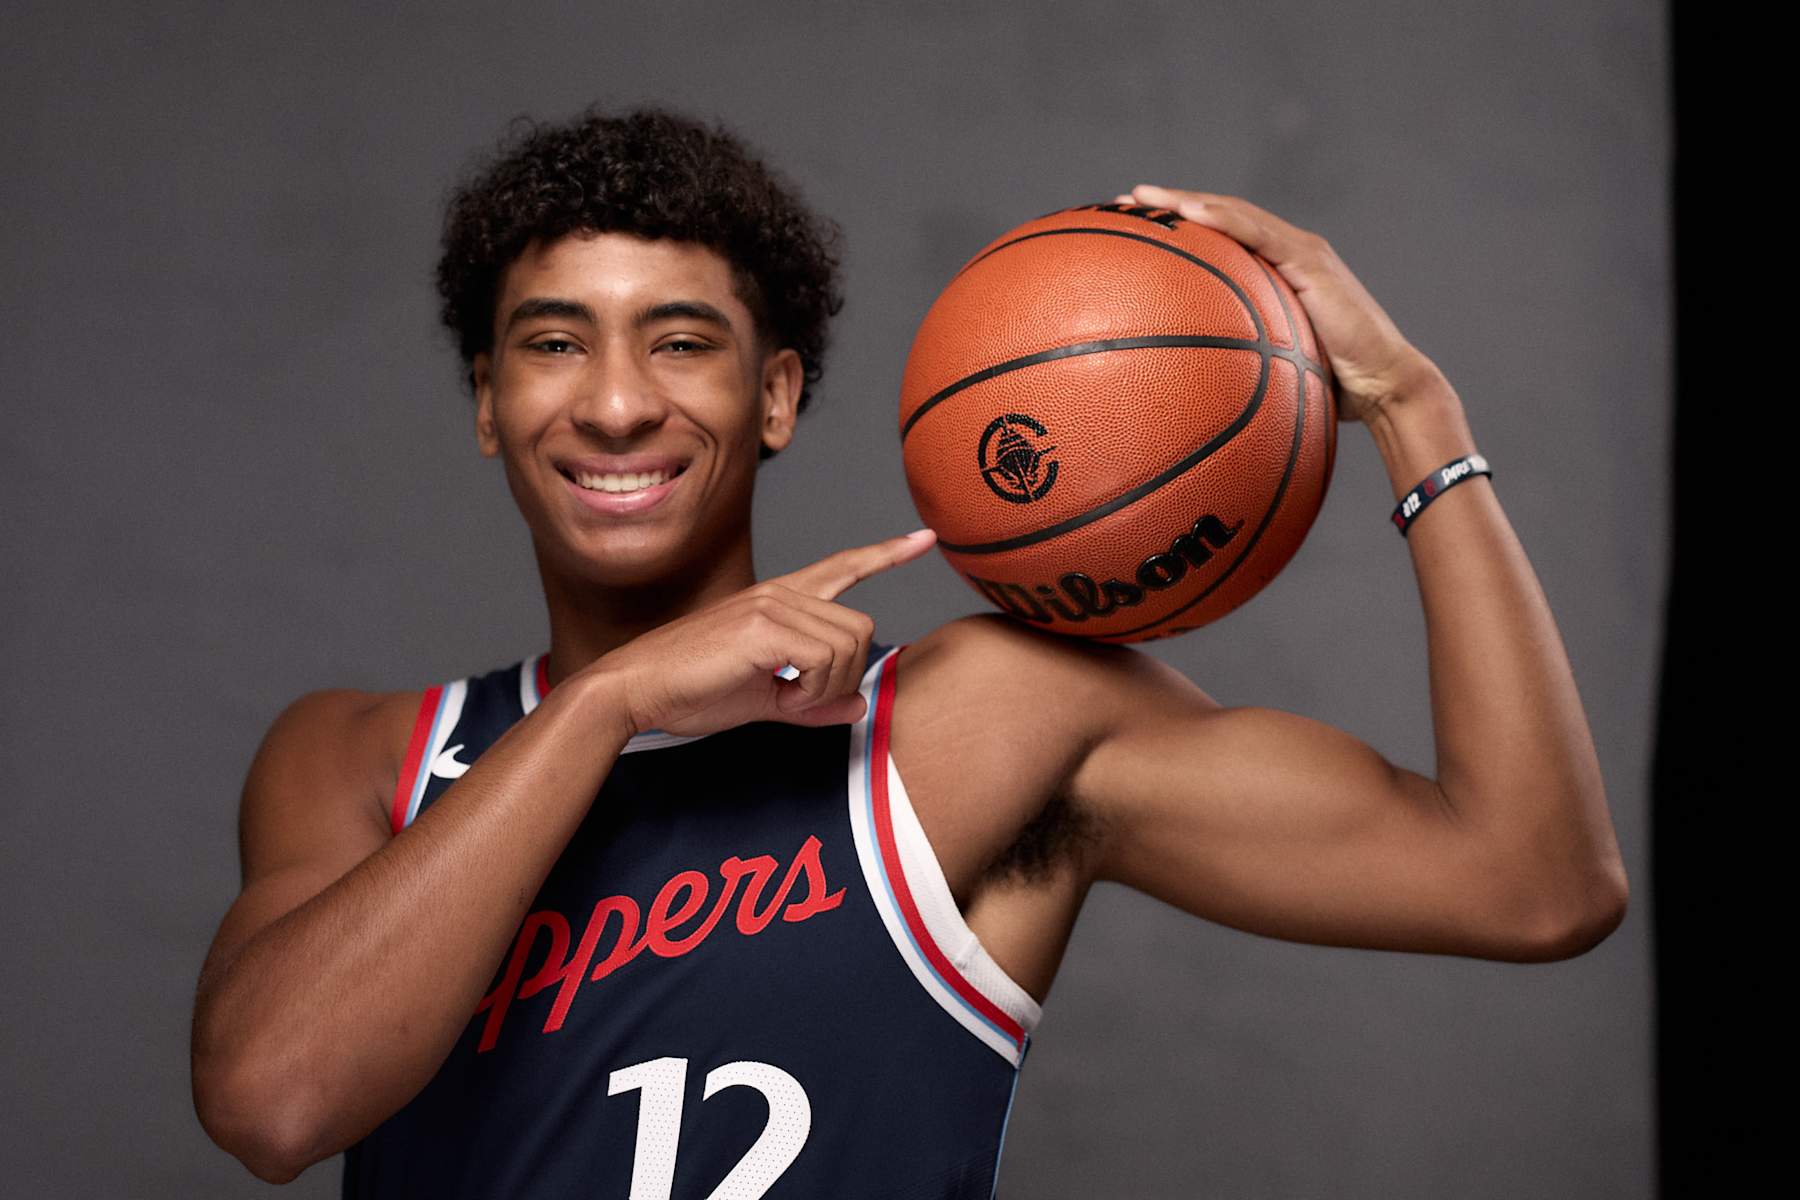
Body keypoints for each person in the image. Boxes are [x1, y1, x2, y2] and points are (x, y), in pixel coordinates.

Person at [190, 105, 1628, 1197]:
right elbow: (274, 1102)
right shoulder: (363, 755)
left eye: (681, 343)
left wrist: (1411, 405)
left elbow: (1535, 883)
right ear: (489, 403)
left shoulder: (986, 721)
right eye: (553, 345)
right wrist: (610, 702)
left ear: (777, 395)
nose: (615, 404)